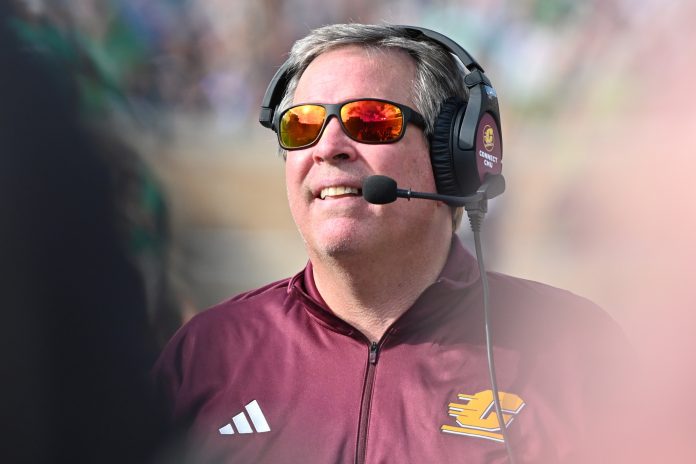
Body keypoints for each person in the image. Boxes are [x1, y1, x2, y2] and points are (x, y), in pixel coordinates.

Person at [153, 23, 632, 463]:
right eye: (302, 124)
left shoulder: (576, 350)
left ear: (452, 156)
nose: (327, 146)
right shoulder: (206, 353)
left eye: (371, 120)